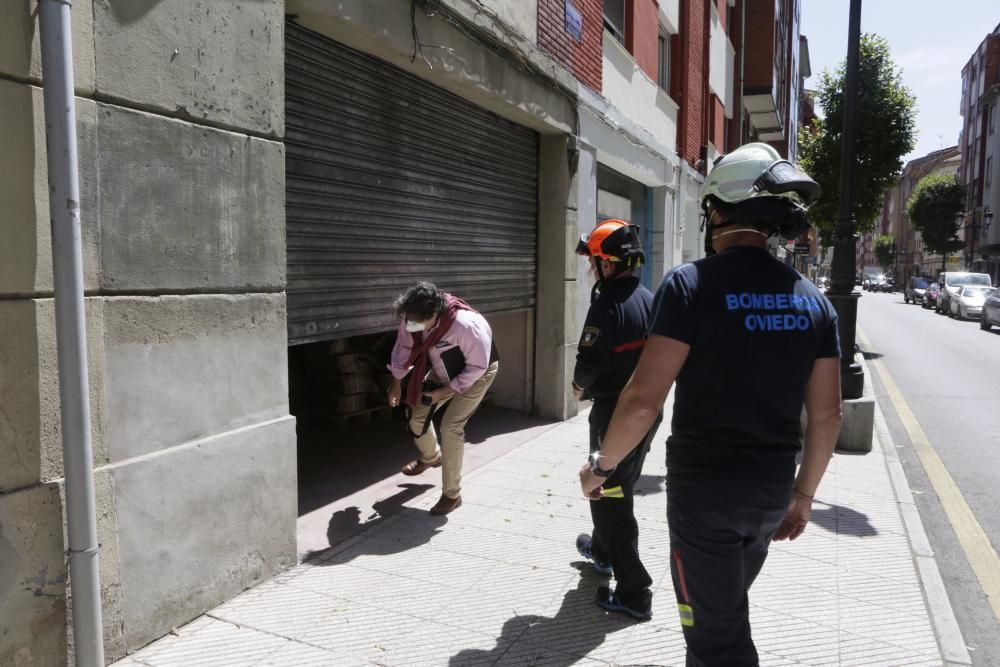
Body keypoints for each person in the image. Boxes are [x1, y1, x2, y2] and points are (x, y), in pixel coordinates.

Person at [579, 143, 843, 666]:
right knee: (724, 609)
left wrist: (601, 466)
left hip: (706, 496)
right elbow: (828, 415)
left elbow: (643, 399)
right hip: (769, 492)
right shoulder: (813, 300)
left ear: (717, 210)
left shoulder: (690, 284)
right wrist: (804, 496)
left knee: (715, 640)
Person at [571, 219, 662, 621]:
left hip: (613, 413)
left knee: (611, 497)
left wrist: (577, 387)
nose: (593, 269)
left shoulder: (606, 305)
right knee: (617, 484)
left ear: (607, 264)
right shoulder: (648, 298)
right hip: (646, 412)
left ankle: (634, 591)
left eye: (594, 261)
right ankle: (602, 552)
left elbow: (587, 366)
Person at [387, 281, 499, 515]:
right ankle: (431, 456)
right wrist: (396, 383)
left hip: (477, 372)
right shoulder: (413, 317)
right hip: (443, 367)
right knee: (417, 417)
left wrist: (441, 392)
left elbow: (477, 367)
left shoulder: (467, 325)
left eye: (415, 321)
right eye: (408, 318)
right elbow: (403, 347)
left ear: (434, 315)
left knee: (450, 427)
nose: (410, 324)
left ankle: (452, 494)